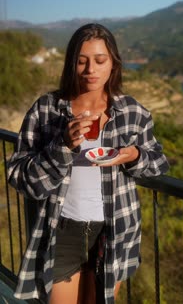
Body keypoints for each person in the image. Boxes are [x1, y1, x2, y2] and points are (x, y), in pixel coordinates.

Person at [8, 23, 169, 304]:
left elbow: (158, 162)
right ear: (71, 64)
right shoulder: (46, 110)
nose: (90, 69)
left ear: (113, 64)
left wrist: (134, 156)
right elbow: (20, 177)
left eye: (99, 60)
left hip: (114, 229)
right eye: (81, 61)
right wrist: (63, 146)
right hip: (61, 231)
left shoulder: (133, 112)